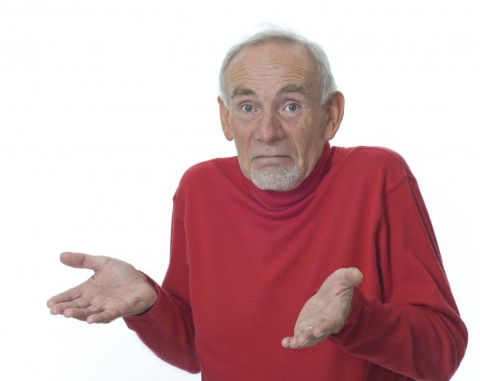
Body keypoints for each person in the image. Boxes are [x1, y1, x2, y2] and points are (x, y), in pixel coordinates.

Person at [47, 28, 468, 380]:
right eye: (247, 107)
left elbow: (442, 354)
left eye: (290, 106)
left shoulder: (378, 175)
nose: (267, 131)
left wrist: (355, 318)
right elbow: (194, 351)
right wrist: (150, 305)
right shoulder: (199, 187)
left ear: (332, 115)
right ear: (226, 119)